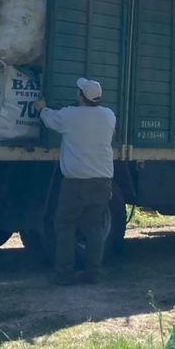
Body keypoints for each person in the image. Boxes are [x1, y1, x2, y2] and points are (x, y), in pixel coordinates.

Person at [35, 77, 116, 285]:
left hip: (76, 182)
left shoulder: (71, 115)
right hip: (102, 180)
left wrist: (41, 108)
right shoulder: (109, 116)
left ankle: (64, 274)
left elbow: (50, 119)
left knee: (65, 225)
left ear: (81, 96)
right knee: (94, 228)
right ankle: (93, 273)